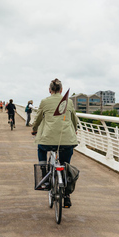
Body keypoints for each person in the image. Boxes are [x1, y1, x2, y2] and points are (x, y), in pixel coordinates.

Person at [32, 78, 78, 208]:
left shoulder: (45, 102)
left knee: (41, 148)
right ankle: (67, 195)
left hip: (48, 140)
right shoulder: (68, 102)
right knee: (65, 164)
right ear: (61, 90)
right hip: (67, 140)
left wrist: (34, 129)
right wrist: (75, 130)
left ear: (49, 90)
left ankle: (43, 173)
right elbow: (74, 119)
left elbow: (39, 118)